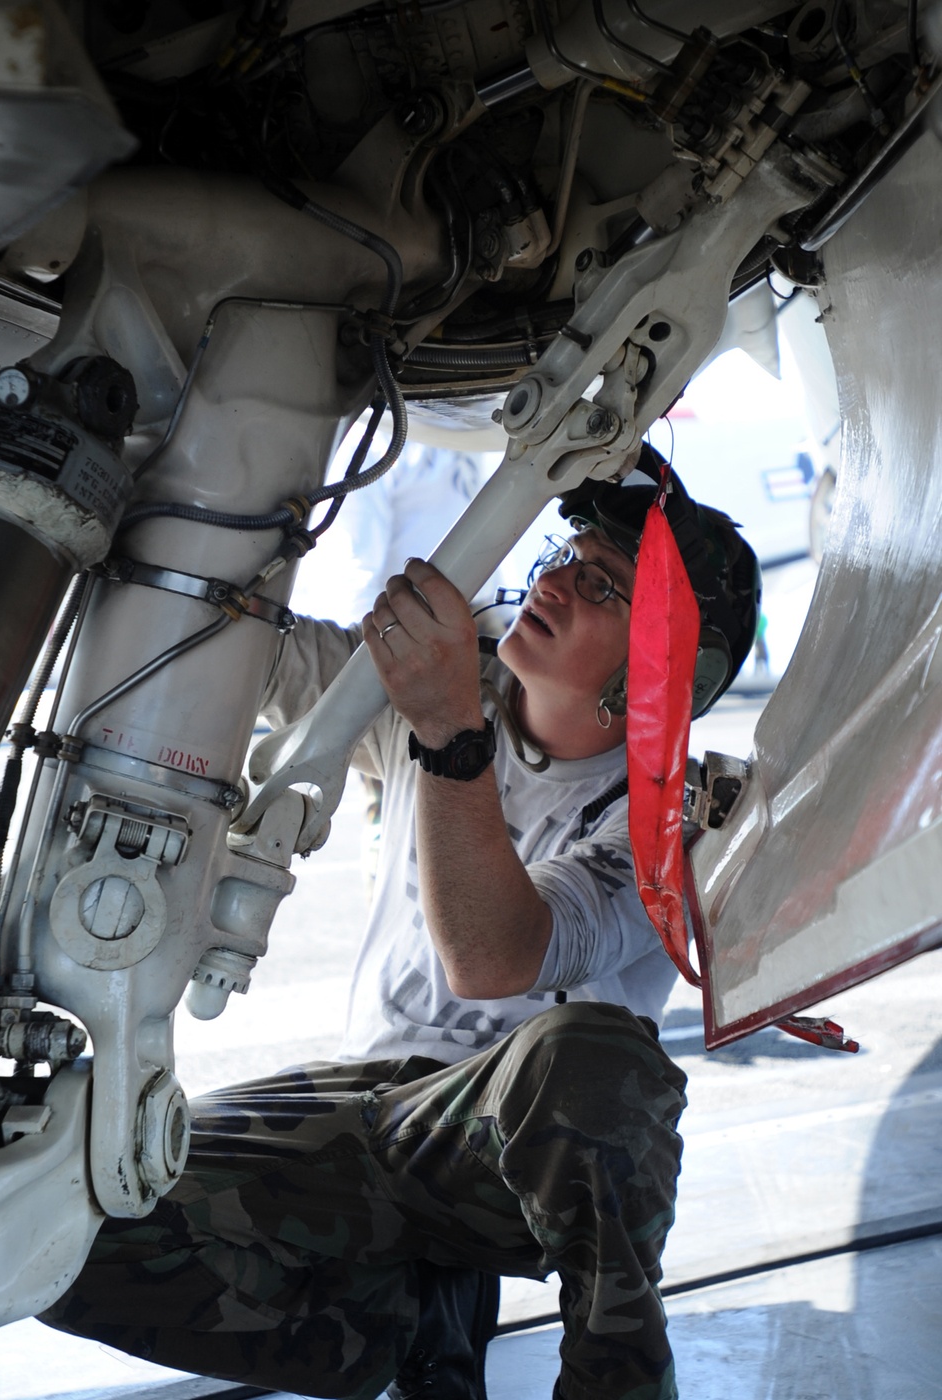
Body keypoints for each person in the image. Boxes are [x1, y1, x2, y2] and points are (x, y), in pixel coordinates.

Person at [42, 458, 759, 1400]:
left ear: (660, 665)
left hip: (510, 1160)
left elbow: (496, 955)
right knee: (58, 1211)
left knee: (595, 1062)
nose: (549, 583)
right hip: (368, 1112)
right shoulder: (431, 693)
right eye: (562, 558)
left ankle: (616, 1374)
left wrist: (449, 732)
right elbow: (249, 650)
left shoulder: (672, 819)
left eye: (600, 587)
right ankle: (394, 1329)